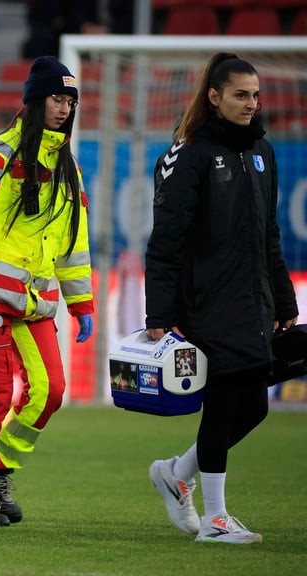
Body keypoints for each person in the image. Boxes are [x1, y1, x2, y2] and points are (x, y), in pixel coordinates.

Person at [145, 52, 298, 545]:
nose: (252, 104)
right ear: (214, 97)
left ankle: (175, 473)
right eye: (240, 94)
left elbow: (268, 234)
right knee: (227, 398)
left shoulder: (262, 152)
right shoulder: (187, 155)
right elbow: (165, 242)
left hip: (252, 299)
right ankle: (215, 521)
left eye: (255, 95)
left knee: (254, 407)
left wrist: (285, 299)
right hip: (206, 301)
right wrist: (159, 314)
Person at [0, 55, 94, 526]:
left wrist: (81, 302)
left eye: (70, 100)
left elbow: (73, 243)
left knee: (50, 390)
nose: (64, 108)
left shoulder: (67, 167)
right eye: (56, 98)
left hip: (36, 302)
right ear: (33, 101)